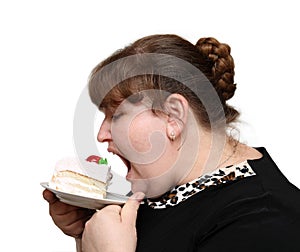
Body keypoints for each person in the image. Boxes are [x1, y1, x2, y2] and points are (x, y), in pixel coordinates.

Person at [43, 34, 300, 252]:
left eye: (117, 115)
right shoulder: (165, 185)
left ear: (174, 116)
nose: (101, 134)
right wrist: (85, 233)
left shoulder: (263, 222)